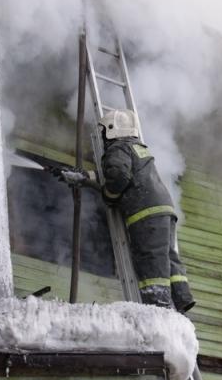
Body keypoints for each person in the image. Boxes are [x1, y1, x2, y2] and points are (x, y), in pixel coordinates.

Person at [57, 109, 195, 313]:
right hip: (164, 210)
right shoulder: (137, 147)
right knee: (168, 256)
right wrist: (85, 177)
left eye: (104, 131)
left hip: (145, 213)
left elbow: (119, 176)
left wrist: (109, 196)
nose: (103, 137)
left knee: (151, 259)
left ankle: (158, 307)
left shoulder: (117, 148)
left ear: (112, 130)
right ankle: (182, 297)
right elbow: (119, 173)